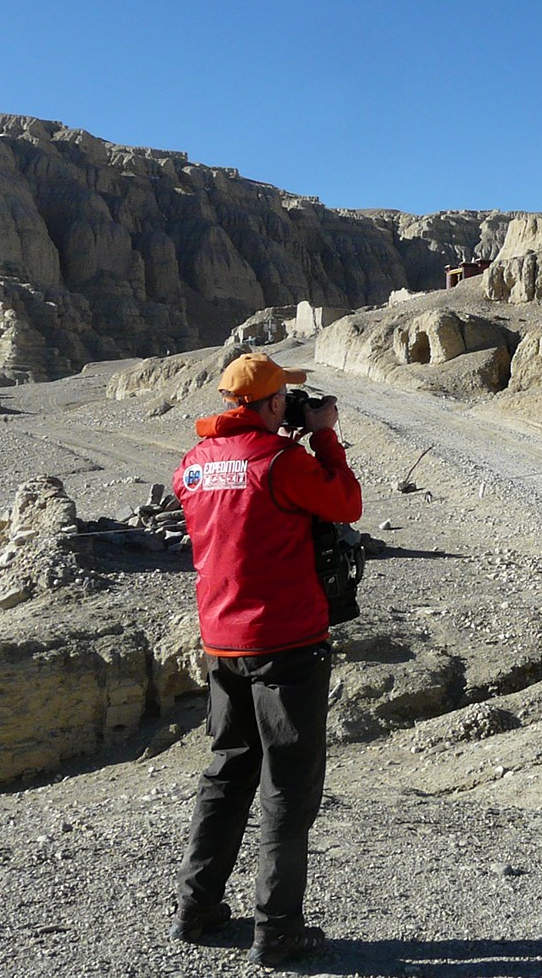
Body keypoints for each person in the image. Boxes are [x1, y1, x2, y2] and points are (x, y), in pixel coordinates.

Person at [169, 351, 362, 968]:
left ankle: (197, 909)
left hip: (222, 642)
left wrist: (287, 432)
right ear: (275, 403)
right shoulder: (283, 461)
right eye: (287, 398)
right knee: (288, 784)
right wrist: (324, 435)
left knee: (227, 772)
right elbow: (346, 504)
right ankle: (277, 930)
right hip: (286, 645)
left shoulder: (194, 466)